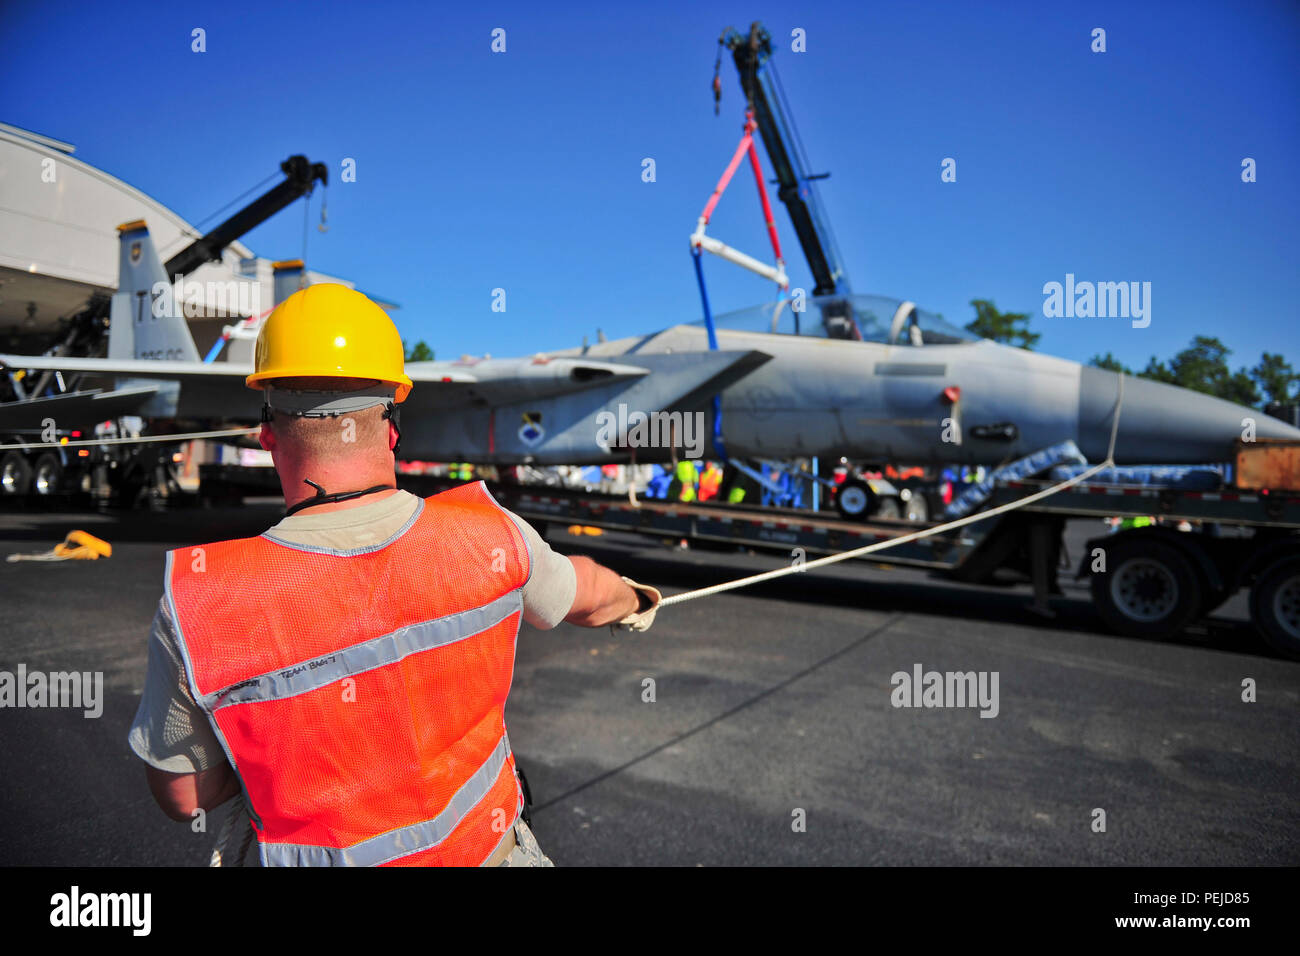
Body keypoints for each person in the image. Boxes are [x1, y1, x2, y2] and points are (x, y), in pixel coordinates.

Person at [127, 284, 661, 866]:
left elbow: (186, 796)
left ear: (269, 436)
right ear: (392, 428)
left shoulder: (203, 601)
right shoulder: (490, 533)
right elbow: (588, 594)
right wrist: (636, 599)